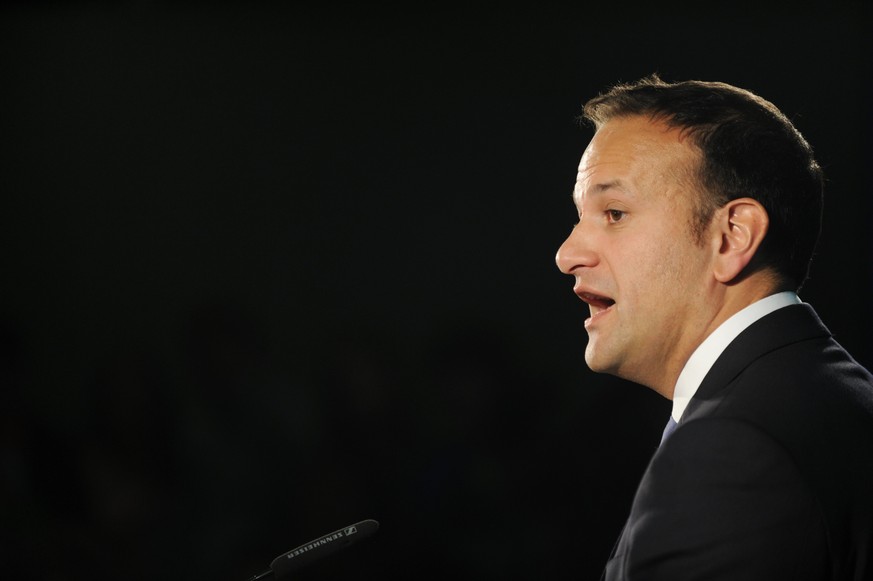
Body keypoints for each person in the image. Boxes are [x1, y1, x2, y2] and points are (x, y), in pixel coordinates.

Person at [555, 74, 873, 580]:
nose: (567, 254)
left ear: (732, 236)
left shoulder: (734, 448)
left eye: (614, 213)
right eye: (579, 217)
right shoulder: (831, 395)